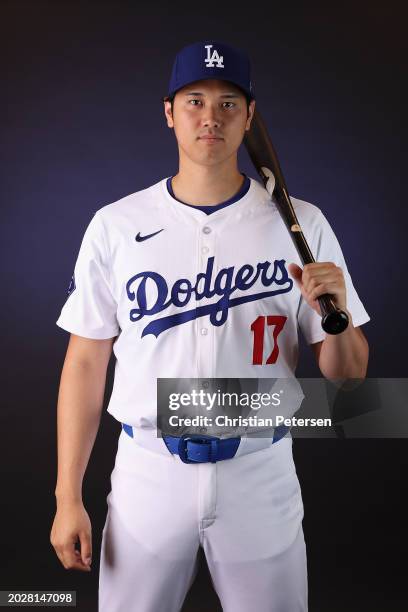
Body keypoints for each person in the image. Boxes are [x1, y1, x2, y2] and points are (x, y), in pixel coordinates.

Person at [50, 40, 370, 612]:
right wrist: (66, 495)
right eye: (194, 100)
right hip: (149, 470)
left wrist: (337, 318)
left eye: (228, 103)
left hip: (260, 469)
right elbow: (84, 362)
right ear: (169, 112)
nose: (210, 116)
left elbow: (348, 378)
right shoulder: (116, 225)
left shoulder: (302, 225)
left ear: (249, 118)